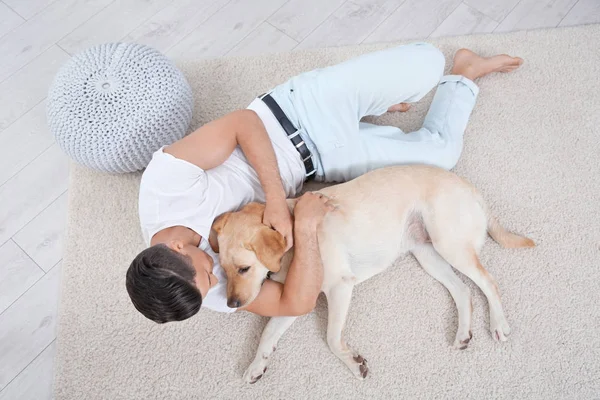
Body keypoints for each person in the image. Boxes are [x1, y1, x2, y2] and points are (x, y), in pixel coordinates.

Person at [126, 43, 523, 323]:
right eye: (211, 281)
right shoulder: (199, 289)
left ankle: (374, 104)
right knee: (441, 156)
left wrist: (279, 203)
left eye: (205, 273)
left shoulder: (164, 186)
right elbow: (293, 304)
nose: (216, 278)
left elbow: (242, 123)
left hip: (298, 111)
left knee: (429, 62)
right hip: (324, 164)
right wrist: (305, 225)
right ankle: (465, 73)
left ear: (175, 248)